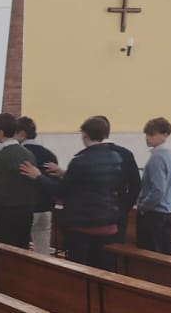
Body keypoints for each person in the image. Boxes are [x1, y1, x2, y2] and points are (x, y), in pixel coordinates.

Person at [20, 116, 126, 271]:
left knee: (80, 270)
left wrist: (38, 177)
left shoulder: (81, 160)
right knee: (103, 268)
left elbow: (62, 191)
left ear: (85, 135)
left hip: (84, 224)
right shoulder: (115, 157)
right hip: (108, 221)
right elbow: (95, 182)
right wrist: (65, 173)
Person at [136, 117, 171, 254]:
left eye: (152, 134)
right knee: (165, 254)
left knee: (150, 254)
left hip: (154, 214)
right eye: (146, 134)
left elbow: (158, 190)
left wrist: (143, 206)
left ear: (165, 135)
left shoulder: (156, 157)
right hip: (169, 212)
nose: (147, 138)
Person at [0, 113, 37, 249]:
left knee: (2, 251)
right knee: (21, 249)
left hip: (6, 212)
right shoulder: (28, 154)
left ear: (1, 132)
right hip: (26, 210)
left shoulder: (0, 157)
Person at [15, 117, 58, 255]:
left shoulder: (19, 154)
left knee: (19, 250)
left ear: (22, 134)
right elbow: (54, 182)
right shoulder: (49, 154)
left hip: (26, 208)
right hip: (46, 208)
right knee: (43, 251)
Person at [101, 118, 144, 242]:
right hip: (118, 209)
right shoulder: (125, 153)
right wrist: (125, 208)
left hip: (93, 215)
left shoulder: (86, 156)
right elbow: (136, 185)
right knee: (114, 248)